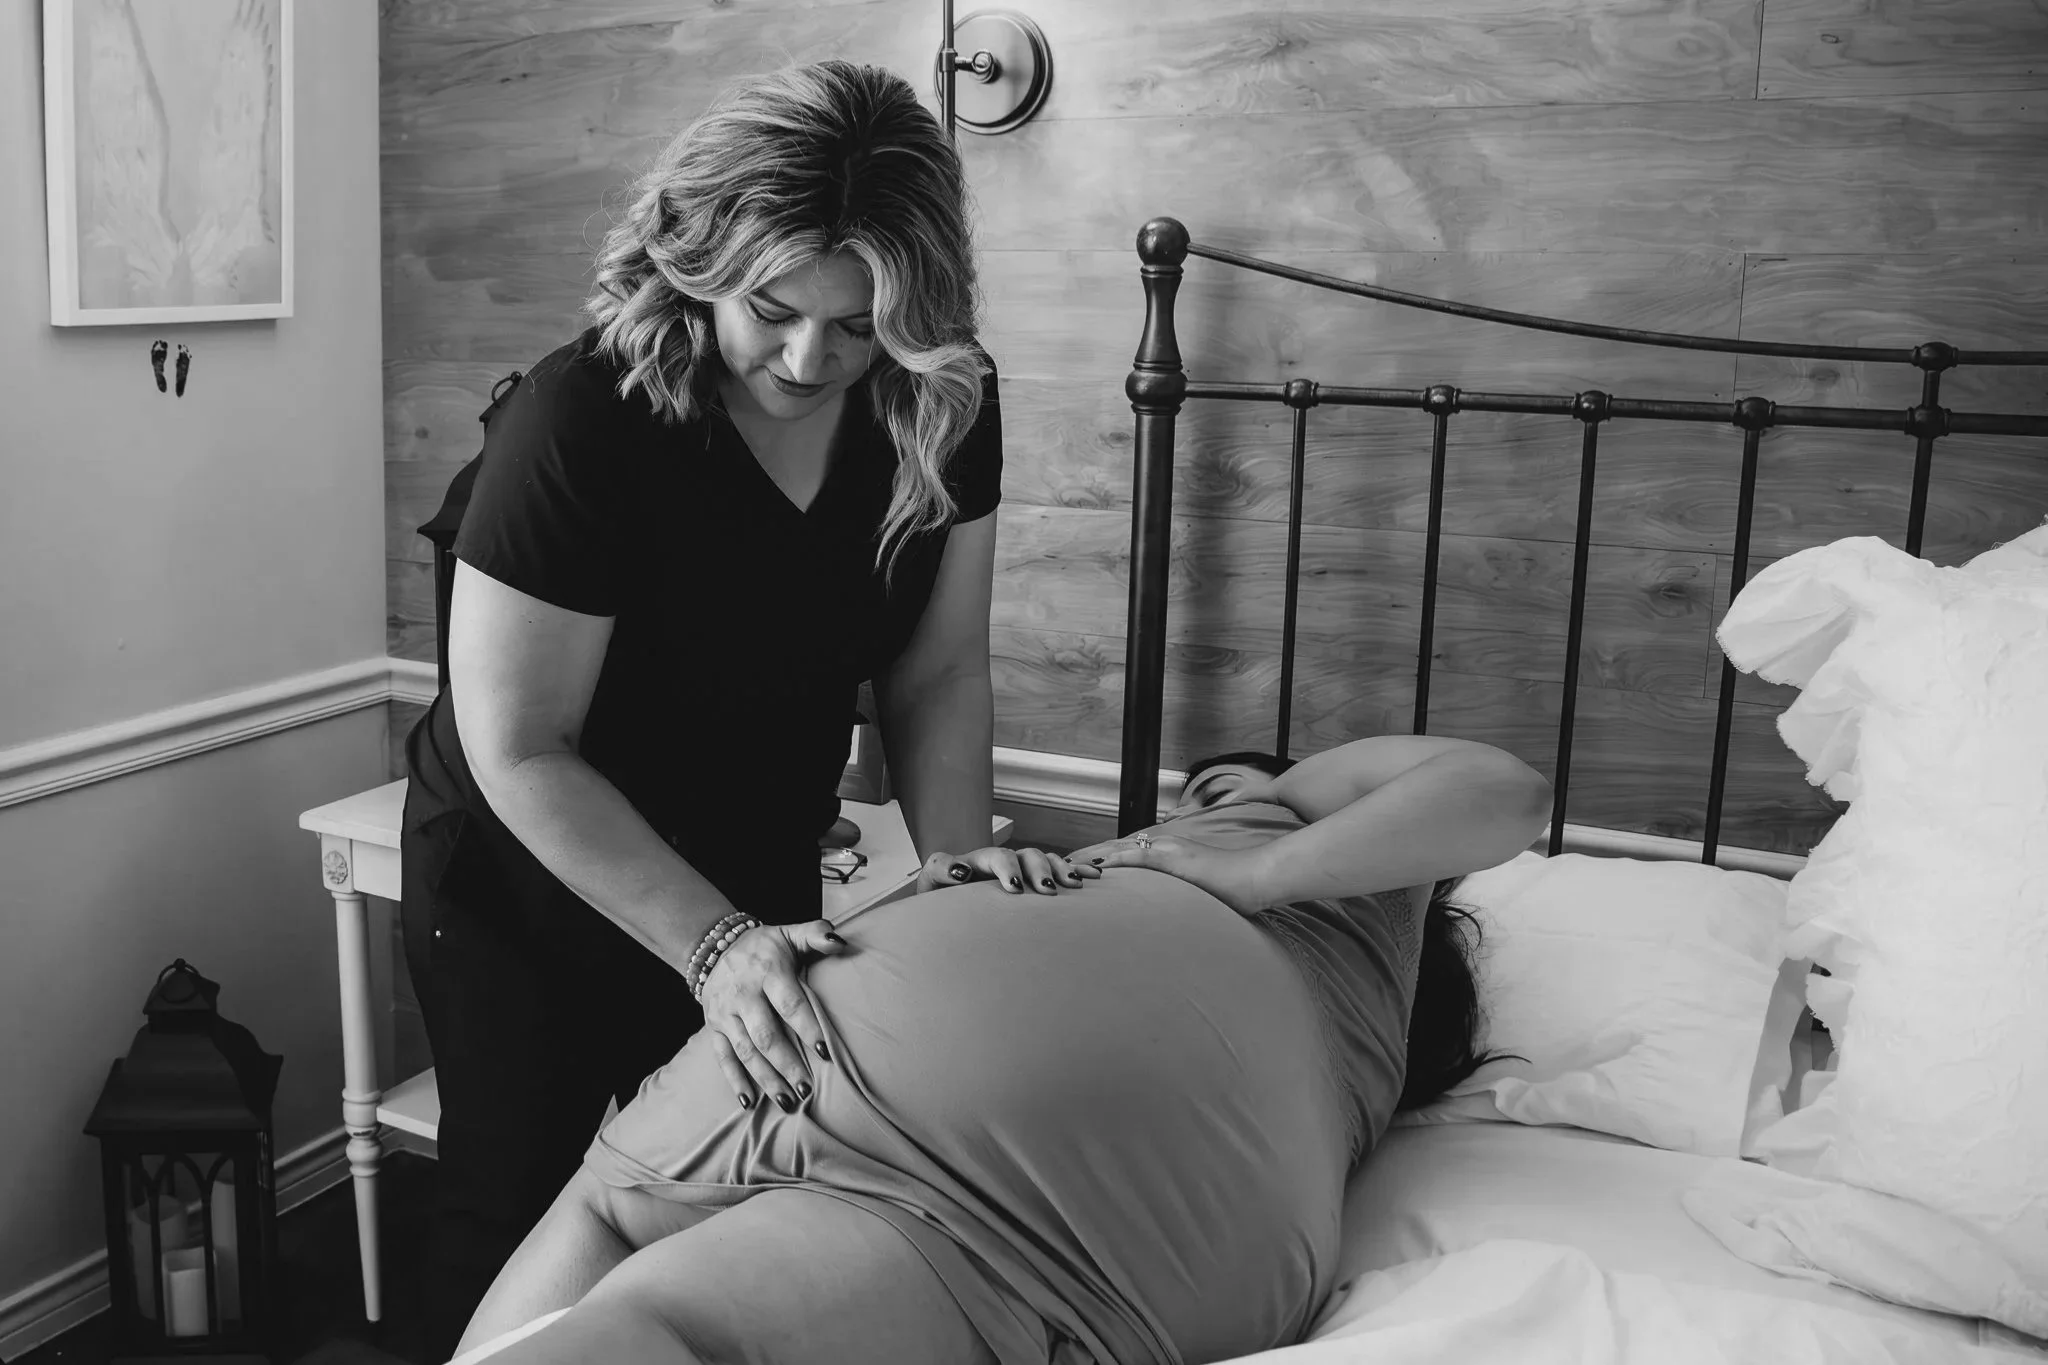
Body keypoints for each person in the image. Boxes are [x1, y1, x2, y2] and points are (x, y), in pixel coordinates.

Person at [398, 62, 1073, 1356]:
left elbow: (936, 674)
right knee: (526, 1211)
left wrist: (960, 882)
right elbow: (520, 744)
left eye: (860, 324)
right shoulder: (579, 423)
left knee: (730, 1196)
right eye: (770, 309)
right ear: (697, 261)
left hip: (755, 847)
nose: (812, 360)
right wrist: (708, 947)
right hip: (527, 871)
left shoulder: (945, 397)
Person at [446, 734, 1553, 1365]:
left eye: (1199, 790)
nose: (1184, 804)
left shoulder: (1276, 818)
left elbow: (1506, 792)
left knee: (642, 1282)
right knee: (652, 1277)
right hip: (1163, 1218)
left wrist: (1239, 862)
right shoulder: (1350, 1034)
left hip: (990, 1125)